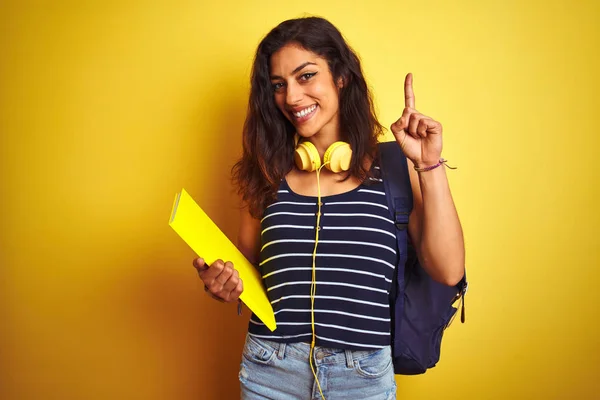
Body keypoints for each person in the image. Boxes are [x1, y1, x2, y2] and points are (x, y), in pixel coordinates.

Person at [192, 16, 465, 400]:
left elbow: (449, 269)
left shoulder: (395, 166)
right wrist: (222, 283)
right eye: (278, 85)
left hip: (363, 375)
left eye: (305, 76)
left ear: (341, 77)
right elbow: (247, 271)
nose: (291, 97)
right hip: (270, 370)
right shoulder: (266, 173)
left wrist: (428, 164)